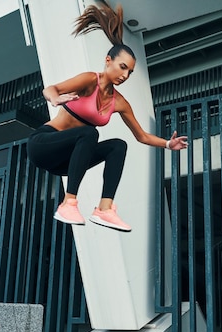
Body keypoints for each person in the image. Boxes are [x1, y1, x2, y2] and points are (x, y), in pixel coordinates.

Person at [27, 2, 187, 232]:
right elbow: (50, 89)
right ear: (108, 60)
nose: (125, 75)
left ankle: (105, 208)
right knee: (90, 132)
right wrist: (55, 99)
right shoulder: (89, 80)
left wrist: (168, 144)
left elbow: (141, 136)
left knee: (118, 146)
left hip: (64, 162)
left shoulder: (119, 102)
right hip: (42, 145)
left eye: (130, 72)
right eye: (122, 67)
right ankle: (68, 203)